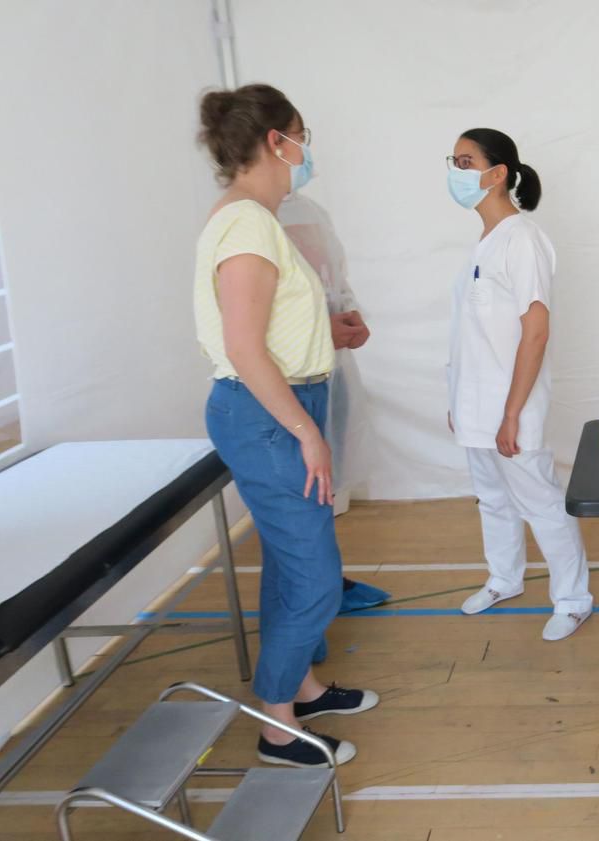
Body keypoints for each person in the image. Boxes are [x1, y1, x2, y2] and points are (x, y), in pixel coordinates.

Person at [195, 84, 378, 767]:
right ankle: (278, 727)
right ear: (277, 141)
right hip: (269, 415)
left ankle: (302, 686)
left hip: (279, 404)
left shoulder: (255, 219)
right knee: (315, 578)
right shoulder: (246, 224)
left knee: (288, 561)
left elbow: (265, 325)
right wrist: (306, 430)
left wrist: (326, 332)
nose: (308, 151)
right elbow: (244, 347)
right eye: (302, 135)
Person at [445, 128, 593, 641]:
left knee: (540, 500)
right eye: (454, 161)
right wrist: (457, 399)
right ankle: (504, 579)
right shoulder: (484, 243)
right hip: (475, 405)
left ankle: (573, 599)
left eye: (465, 161)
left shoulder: (523, 238)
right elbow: (474, 336)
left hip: (513, 406)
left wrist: (511, 413)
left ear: (498, 173)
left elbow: (535, 329)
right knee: (492, 498)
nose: (455, 171)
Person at [278, 193, 392, 626]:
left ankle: (327, 581)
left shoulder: (309, 211)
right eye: (292, 138)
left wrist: (350, 314)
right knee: (299, 497)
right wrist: (319, 329)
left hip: (330, 370)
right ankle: (310, 593)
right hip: (291, 380)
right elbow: (260, 324)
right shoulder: (249, 220)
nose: (300, 150)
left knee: (325, 488)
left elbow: (334, 280)